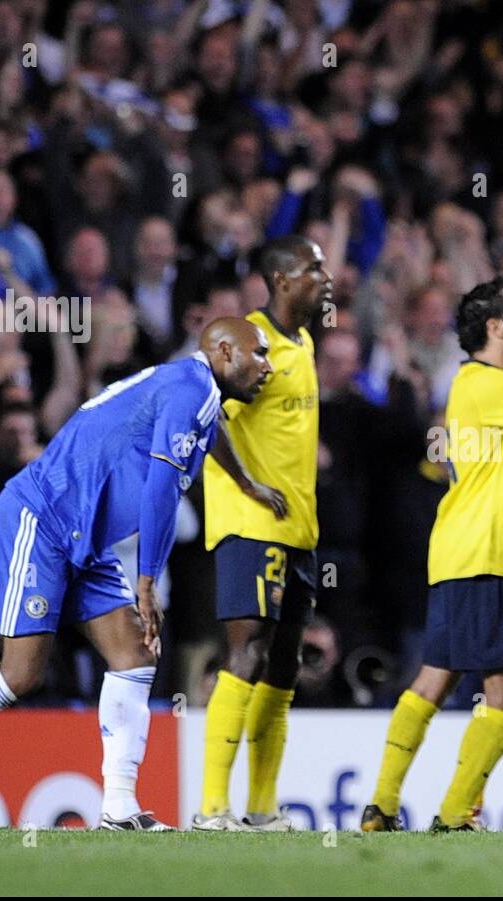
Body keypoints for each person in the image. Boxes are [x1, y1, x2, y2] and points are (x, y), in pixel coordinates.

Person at [0, 317, 273, 831]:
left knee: (134, 652)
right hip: (41, 520)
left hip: (86, 535)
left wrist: (245, 484)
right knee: (22, 673)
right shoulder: (190, 389)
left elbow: (210, 431)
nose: (267, 366)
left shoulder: (194, 390)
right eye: (258, 353)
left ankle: (120, 807)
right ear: (223, 351)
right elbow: (159, 493)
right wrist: (147, 583)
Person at [359, 275, 503, 833]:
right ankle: (455, 812)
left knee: (439, 676)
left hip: (470, 549)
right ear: (496, 327)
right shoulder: (491, 384)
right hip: (483, 554)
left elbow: (488, 469)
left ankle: (382, 804)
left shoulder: (479, 387)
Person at [194, 236, 326, 832]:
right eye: (312, 269)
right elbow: (205, 416)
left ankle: (262, 809)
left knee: (283, 666)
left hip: (298, 529)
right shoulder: (247, 342)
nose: (325, 278)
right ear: (280, 279)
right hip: (252, 526)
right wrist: (246, 486)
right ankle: (211, 807)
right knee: (245, 654)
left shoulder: (305, 342)